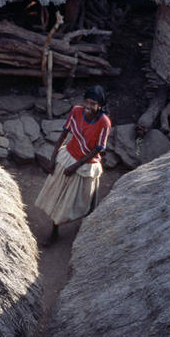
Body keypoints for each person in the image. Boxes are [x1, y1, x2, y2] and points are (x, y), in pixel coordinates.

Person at [35, 85, 111, 245]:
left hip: (85, 165)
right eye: (87, 102)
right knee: (58, 197)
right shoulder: (76, 111)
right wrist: (53, 159)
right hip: (68, 157)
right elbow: (64, 135)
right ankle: (54, 232)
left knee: (86, 201)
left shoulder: (104, 122)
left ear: (100, 106)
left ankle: (89, 226)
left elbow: (98, 148)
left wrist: (75, 166)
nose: (89, 107)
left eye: (93, 104)